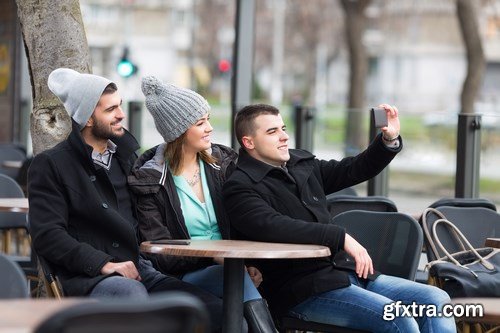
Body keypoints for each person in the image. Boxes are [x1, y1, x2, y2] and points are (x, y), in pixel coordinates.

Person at [222, 103, 457, 333]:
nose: (284, 136)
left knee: (435, 299)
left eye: (283, 128)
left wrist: (387, 140)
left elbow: (354, 169)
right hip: (303, 291)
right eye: (272, 131)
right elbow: (272, 225)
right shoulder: (240, 186)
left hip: (347, 273)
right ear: (248, 142)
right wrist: (340, 237)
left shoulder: (300, 165)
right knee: (398, 318)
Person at [28, 68, 223, 332]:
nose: (121, 114)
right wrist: (104, 264)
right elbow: (48, 235)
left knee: (212, 309)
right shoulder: (51, 164)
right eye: (110, 110)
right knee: (134, 302)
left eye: (119, 105)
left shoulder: (126, 158)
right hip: (89, 277)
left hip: (142, 270)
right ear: (86, 118)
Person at [128, 76, 277, 333]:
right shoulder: (150, 180)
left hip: (232, 269)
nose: (209, 127)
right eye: (200, 122)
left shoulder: (224, 165)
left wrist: (245, 263)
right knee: (239, 301)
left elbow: (245, 220)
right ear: (178, 132)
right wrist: (220, 260)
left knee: (259, 295)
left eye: (207, 118)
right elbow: (161, 253)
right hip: (183, 275)